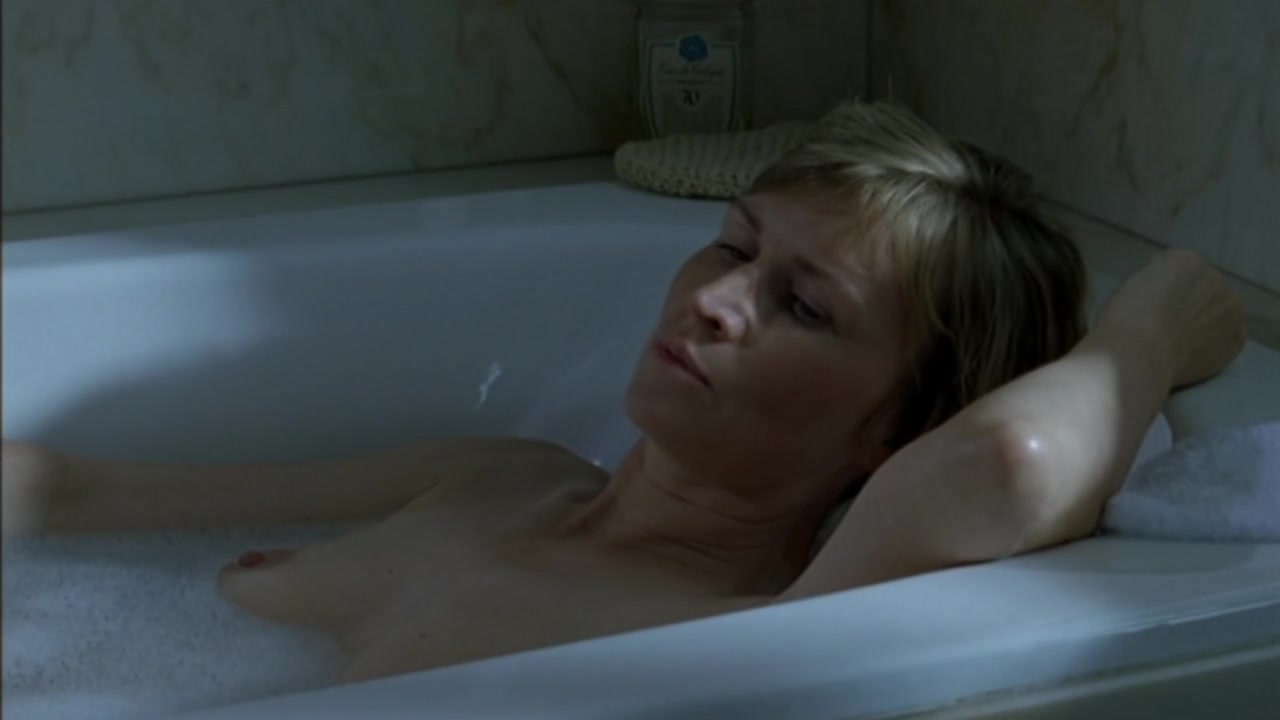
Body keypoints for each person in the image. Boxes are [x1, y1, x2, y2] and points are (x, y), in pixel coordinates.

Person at [2, 101, 1246, 684]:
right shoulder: (495, 475)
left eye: (803, 307)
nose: (717, 300)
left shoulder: (759, 629)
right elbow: (74, 495)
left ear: (893, 427)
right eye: (732, 245)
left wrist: (1147, 327)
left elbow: (1005, 465)